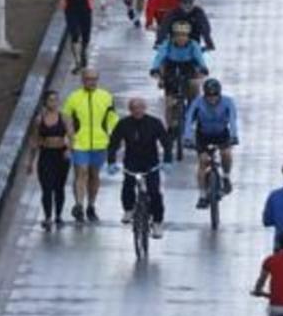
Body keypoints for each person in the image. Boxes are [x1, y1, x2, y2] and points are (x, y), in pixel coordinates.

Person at [107, 97, 173, 237]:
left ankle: (157, 223)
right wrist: (111, 162)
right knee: (128, 186)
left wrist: (167, 160)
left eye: (140, 108)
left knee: (154, 193)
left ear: (145, 108)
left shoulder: (154, 123)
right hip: (131, 163)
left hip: (151, 164)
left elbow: (166, 142)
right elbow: (113, 143)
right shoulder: (124, 124)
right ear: (130, 110)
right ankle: (129, 210)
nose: (137, 111)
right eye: (134, 108)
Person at [61, 69, 119, 223]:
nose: (91, 82)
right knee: (81, 172)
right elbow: (66, 119)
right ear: (82, 80)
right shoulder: (74, 97)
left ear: (98, 79)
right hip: (79, 142)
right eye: (88, 79)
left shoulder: (106, 97)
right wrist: (69, 138)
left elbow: (112, 118)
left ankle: (91, 205)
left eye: (94, 79)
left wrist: (113, 136)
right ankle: (79, 205)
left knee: (94, 175)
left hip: (100, 142)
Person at [184, 78, 239, 208]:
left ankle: (226, 177)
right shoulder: (198, 103)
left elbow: (232, 119)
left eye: (215, 96)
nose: (212, 99)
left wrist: (234, 136)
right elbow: (188, 120)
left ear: (220, 94)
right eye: (209, 96)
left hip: (221, 134)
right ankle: (202, 195)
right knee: (203, 162)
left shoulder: (228, 102)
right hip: (203, 135)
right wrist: (187, 137)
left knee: (226, 154)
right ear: (205, 95)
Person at [150, 21, 210, 128]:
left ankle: (192, 111)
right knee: (169, 103)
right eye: (178, 35)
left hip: (189, 69)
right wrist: (155, 69)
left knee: (194, 86)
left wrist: (203, 68)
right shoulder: (167, 44)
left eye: (184, 35)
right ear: (173, 35)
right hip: (171, 70)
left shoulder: (193, 45)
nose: (181, 38)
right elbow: (159, 58)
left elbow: (200, 59)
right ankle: (170, 127)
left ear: (188, 35)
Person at [27, 90, 71, 230]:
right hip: (46, 155)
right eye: (51, 100)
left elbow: (72, 136)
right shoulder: (39, 119)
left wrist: (69, 150)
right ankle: (47, 217)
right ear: (45, 102)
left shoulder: (64, 117)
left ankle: (58, 215)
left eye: (56, 100)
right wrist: (30, 161)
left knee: (59, 187)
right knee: (46, 188)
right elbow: (35, 140)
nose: (54, 102)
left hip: (61, 155)